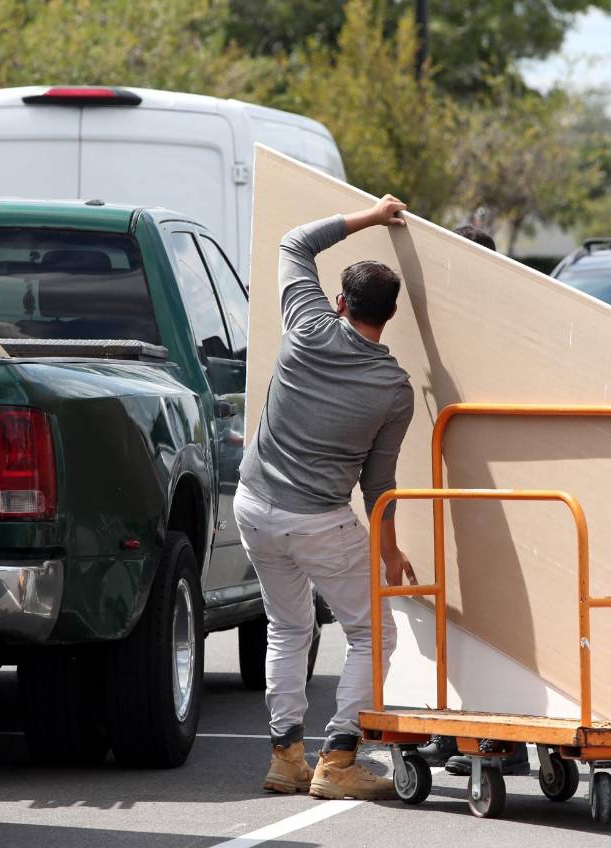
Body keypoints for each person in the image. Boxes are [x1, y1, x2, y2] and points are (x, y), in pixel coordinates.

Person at [235, 195, 418, 801]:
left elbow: (295, 242)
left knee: (288, 627)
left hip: (253, 505)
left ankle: (286, 757)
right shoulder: (393, 389)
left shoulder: (305, 328)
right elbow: (379, 484)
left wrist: (373, 215)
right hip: (318, 521)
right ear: (390, 316)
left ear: (340, 303)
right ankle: (338, 760)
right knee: (373, 634)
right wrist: (390, 553)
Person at [414, 223, 531, 779]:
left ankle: (504, 739)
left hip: (497, 493)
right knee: (455, 609)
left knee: (496, 616)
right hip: (455, 488)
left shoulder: (505, 323)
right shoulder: (452, 319)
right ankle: (456, 726)